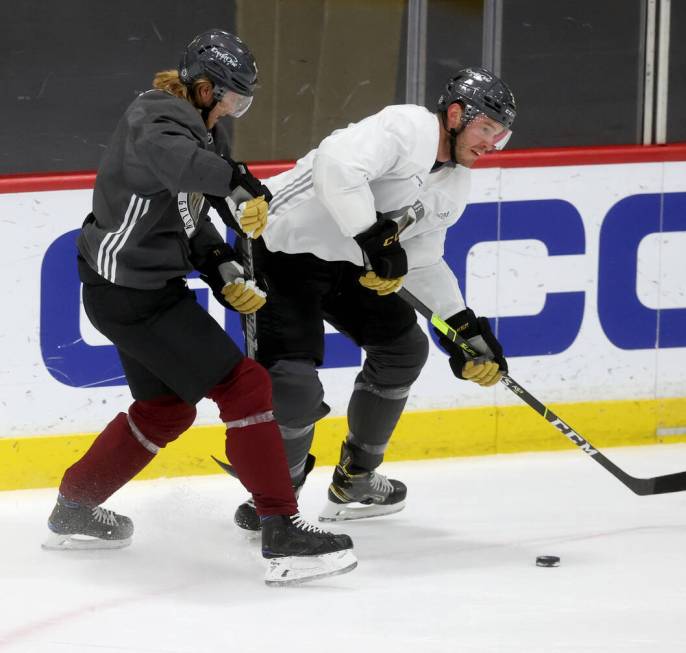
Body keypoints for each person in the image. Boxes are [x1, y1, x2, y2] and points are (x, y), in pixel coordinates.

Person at [42, 29, 356, 586]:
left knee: (166, 411)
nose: (235, 108)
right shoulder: (156, 119)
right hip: (131, 294)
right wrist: (239, 184)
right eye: (232, 97)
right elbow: (185, 167)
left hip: (135, 290)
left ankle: (75, 508)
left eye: (245, 101)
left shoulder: (197, 131)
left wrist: (220, 266)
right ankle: (281, 530)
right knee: (246, 386)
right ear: (204, 88)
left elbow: (189, 217)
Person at [231, 66, 515, 529]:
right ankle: (279, 491)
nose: (490, 144)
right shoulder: (406, 128)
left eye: (500, 137)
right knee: (293, 389)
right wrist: (372, 238)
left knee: (404, 351)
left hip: (350, 261)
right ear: (457, 114)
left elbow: (419, 259)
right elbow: (336, 167)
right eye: (486, 129)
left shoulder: (454, 184)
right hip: (281, 249)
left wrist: (462, 326)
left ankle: (356, 477)